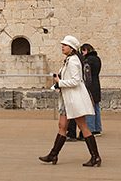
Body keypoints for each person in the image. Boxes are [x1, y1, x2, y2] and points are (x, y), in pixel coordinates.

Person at [40, 35, 101, 167]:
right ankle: (53, 154)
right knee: (62, 126)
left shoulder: (73, 61)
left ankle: (95, 156)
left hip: (74, 100)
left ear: (72, 48)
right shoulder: (69, 60)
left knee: (83, 127)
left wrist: (59, 82)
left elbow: (75, 81)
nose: (62, 46)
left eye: (65, 45)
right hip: (68, 100)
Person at [80, 43, 103, 135]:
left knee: (89, 107)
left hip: (89, 86)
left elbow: (86, 75)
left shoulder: (88, 60)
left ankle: (91, 128)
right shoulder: (97, 59)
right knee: (96, 107)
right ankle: (97, 128)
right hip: (96, 84)